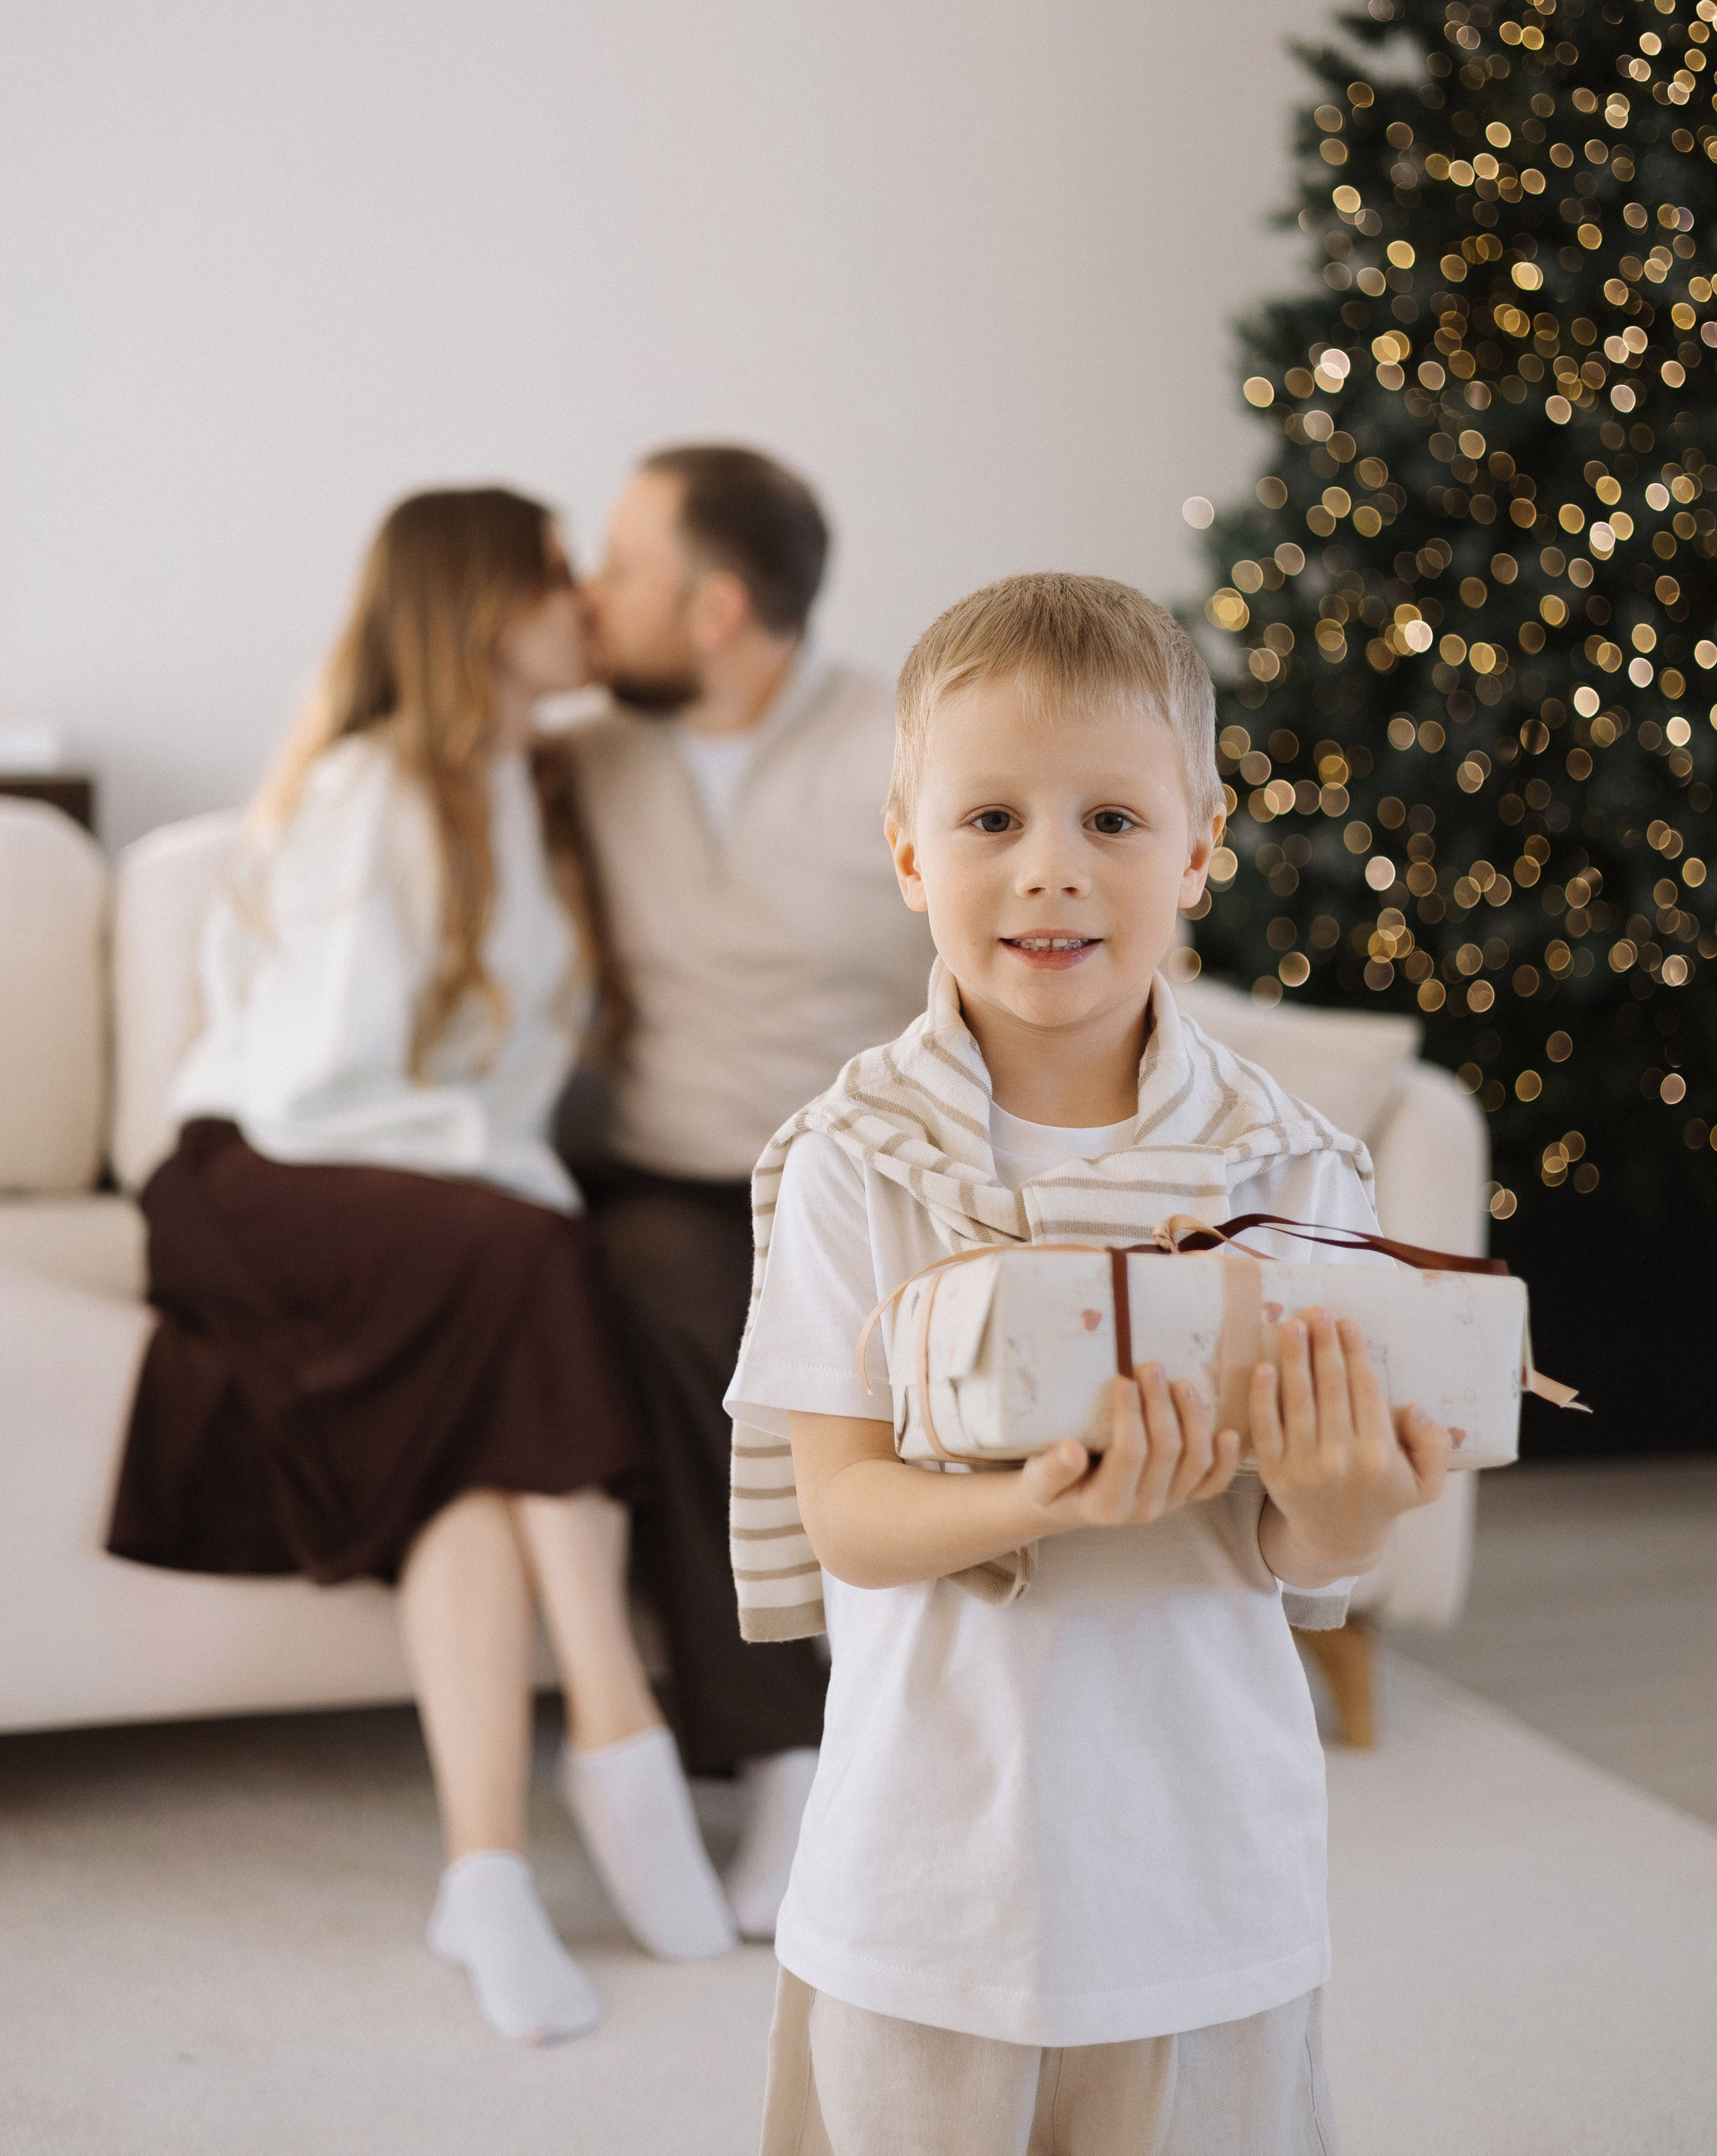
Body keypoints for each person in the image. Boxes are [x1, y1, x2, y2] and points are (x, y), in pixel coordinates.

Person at [725, 572, 1459, 2155]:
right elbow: (846, 1518)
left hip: (1200, 1891)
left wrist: (1347, 1501)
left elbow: (1303, 1560)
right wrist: (1042, 1500)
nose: (1048, 870)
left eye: (1110, 823)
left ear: (1198, 845)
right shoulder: (852, 1160)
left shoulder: (1294, 1171)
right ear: (908, 849)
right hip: (925, 1890)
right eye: (989, 818)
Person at [107, 488, 738, 2051]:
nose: (586, 599)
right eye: (553, 577)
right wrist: (518, 1186)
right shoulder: (374, 787)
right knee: (535, 1256)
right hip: (261, 1177)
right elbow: (322, 1084)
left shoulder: (521, 787)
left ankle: (486, 1874)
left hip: (429, 1215)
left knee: (479, 1439)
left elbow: (501, 1091)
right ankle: (616, 1716)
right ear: (477, 607)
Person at [564, 443, 935, 1939]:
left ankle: (865, 1738)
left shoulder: (899, 749)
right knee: (679, 1300)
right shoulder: (576, 753)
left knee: (829, 1308)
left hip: (862, 1177)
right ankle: (790, 1748)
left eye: (617, 572)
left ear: (715, 608)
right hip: (662, 1177)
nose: (589, 602)